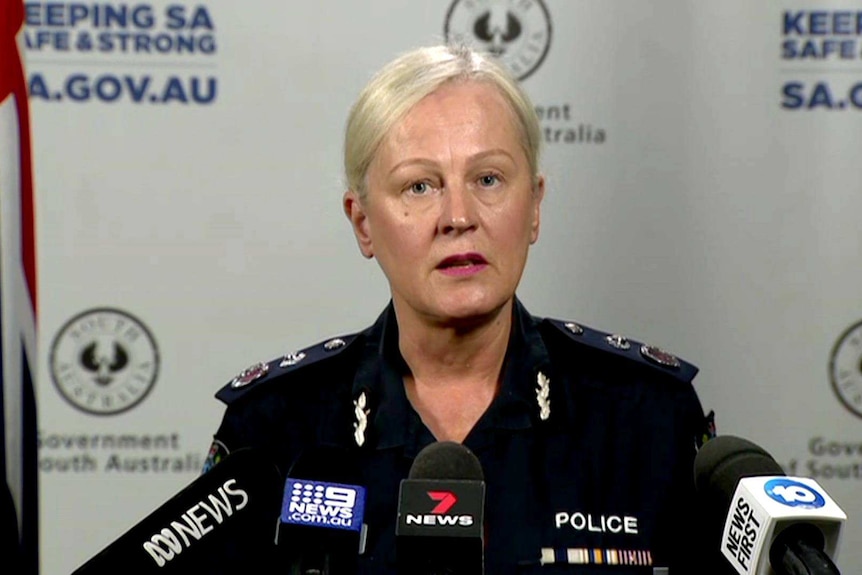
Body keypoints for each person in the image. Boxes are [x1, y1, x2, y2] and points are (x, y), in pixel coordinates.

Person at [206, 44, 716, 574]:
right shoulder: (271, 429)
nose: (458, 217)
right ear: (363, 223)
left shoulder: (649, 415)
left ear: (535, 206)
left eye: (488, 179)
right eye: (419, 186)